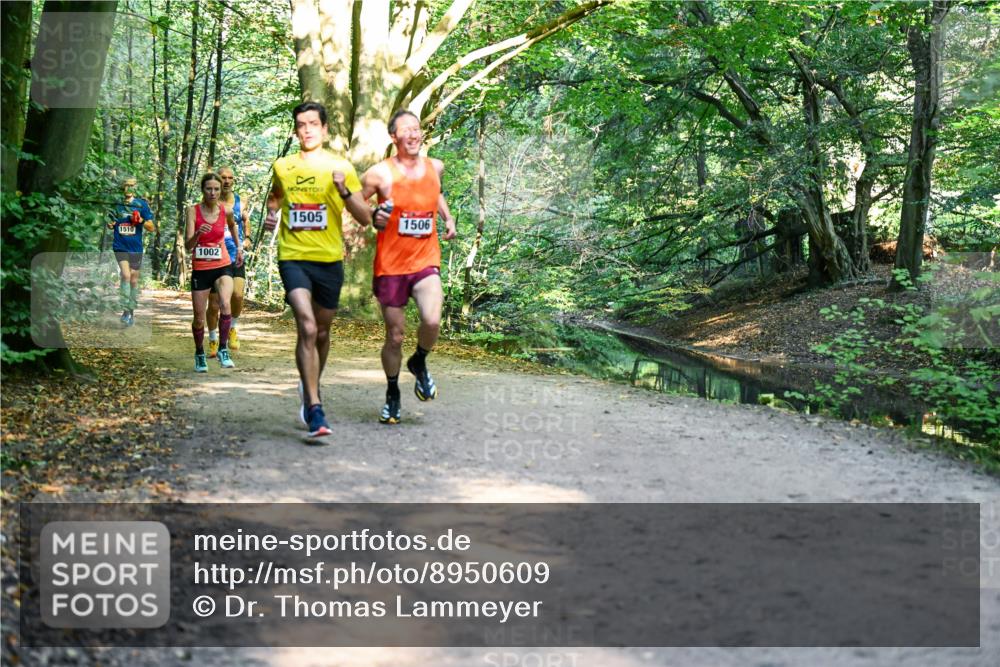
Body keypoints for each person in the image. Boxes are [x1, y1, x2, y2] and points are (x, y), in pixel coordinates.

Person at [263, 102, 372, 438]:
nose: (307, 129)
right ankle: (314, 407)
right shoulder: (283, 165)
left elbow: (365, 216)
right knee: (307, 327)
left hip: (328, 259)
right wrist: (271, 214)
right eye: (301, 124)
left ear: (325, 129)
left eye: (313, 123)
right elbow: (275, 196)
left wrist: (342, 190)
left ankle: (310, 384)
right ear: (296, 130)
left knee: (323, 332)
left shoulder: (341, 167)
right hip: (293, 256)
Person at [360, 109, 456, 425]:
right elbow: (357, 207)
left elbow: (435, 192)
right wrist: (374, 217)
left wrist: (447, 217)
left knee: (431, 319)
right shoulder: (379, 174)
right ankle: (392, 392)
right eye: (406, 130)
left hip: (425, 259)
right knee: (396, 335)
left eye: (416, 129)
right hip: (390, 266)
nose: (413, 134)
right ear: (393, 137)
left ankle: (419, 361)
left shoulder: (435, 167)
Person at [186, 172, 243, 372]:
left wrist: (239, 248)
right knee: (199, 317)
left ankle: (223, 349)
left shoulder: (226, 210)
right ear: (203, 190)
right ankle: (200, 352)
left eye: (216, 189)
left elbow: (233, 226)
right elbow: (187, 245)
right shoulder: (193, 212)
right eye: (209, 189)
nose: (213, 192)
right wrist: (197, 236)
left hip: (222, 264)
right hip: (201, 268)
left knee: (225, 303)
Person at [206, 167, 251, 356]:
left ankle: (233, 328)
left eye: (230, 178)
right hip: (214, 256)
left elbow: (245, 219)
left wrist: (248, 237)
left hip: (235, 255)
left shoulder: (241, 201)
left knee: (238, 296)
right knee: (215, 304)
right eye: (223, 178)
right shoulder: (210, 201)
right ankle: (213, 337)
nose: (226, 181)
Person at [107, 177, 156, 326]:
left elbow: (151, 227)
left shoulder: (141, 205)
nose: (128, 188)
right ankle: (125, 310)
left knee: (134, 281)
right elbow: (111, 222)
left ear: (136, 188)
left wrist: (140, 220)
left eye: (131, 186)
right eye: (126, 185)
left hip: (135, 247)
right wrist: (111, 224)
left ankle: (130, 311)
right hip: (120, 245)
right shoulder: (117, 204)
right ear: (122, 187)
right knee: (126, 275)